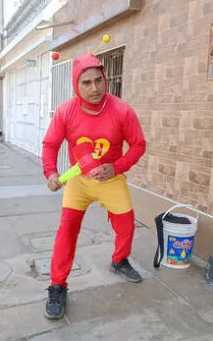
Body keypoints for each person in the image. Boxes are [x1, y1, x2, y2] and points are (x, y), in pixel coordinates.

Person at [41, 53, 147, 319]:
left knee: (126, 224)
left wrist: (117, 167)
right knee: (67, 230)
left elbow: (138, 145)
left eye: (98, 80)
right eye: (86, 83)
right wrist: (51, 172)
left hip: (111, 179)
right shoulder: (66, 111)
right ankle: (57, 285)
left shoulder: (122, 110)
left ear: (105, 79)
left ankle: (119, 260)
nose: (94, 88)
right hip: (79, 182)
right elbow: (50, 145)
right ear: (76, 85)